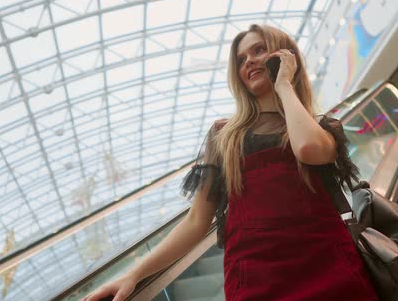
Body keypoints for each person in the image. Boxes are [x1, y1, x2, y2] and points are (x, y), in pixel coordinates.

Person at [83, 24, 379, 301]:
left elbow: (308, 148)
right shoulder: (223, 136)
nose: (249, 61)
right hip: (254, 277)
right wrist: (134, 273)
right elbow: (197, 220)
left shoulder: (320, 127)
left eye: (259, 50)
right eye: (241, 59)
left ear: (285, 57)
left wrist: (284, 85)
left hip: (327, 263)